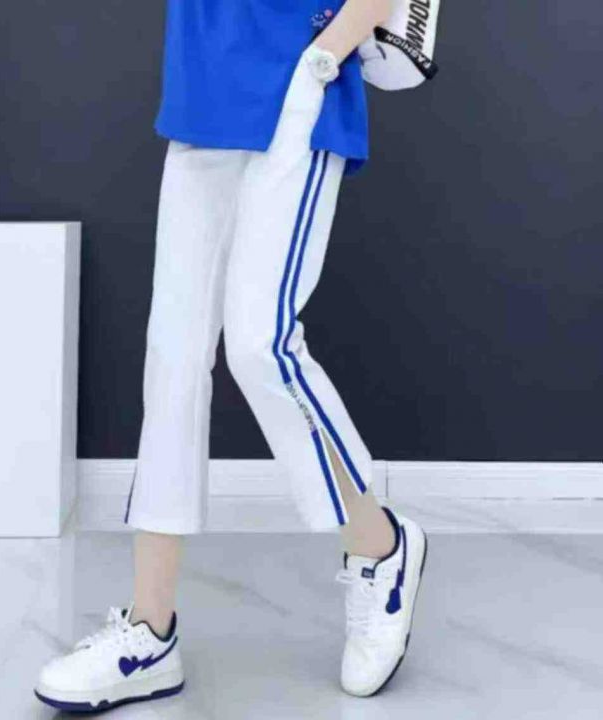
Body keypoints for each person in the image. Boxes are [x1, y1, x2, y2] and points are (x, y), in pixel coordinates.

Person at [35, 0, 428, 712]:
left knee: (260, 344)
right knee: (173, 358)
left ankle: (380, 546)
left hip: (298, 80)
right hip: (202, 93)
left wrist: (322, 61)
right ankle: (150, 631)